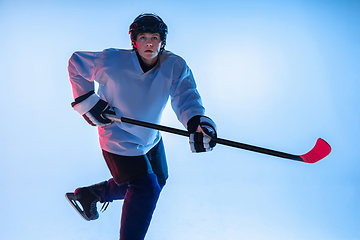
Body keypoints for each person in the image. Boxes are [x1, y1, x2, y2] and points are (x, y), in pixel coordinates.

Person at [65, 13, 217, 240]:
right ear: (134, 41)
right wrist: (88, 101)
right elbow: (76, 62)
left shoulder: (174, 65)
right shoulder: (112, 61)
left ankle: (91, 194)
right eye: (143, 37)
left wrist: (196, 123)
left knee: (159, 179)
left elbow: (186, 96)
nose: (149, 43)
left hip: (150, 137)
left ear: (162, 42)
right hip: (118, 139)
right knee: (146, 189)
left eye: (154, 38)